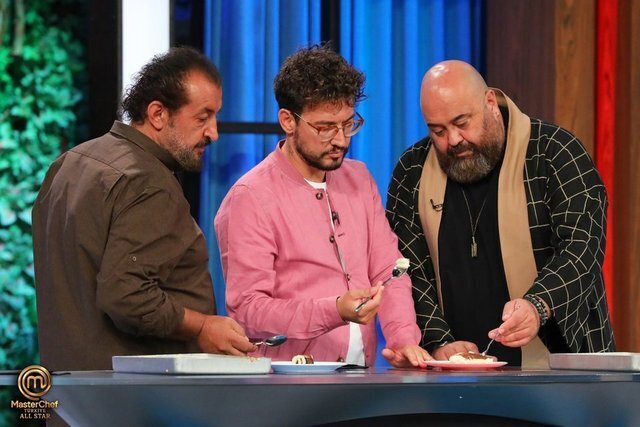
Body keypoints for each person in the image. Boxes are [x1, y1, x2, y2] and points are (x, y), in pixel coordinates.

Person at [32, 46, 257, 372]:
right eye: (202, 117)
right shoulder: (149, 183)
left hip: (66, 389)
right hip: (131, 391)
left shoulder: (70, 163)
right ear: (158, 114)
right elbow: (126, 296)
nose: (214, 132)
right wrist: (203, 327)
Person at [386, 60, 615, 368]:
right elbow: (405, 267)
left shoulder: (555, 152)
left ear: (490, 102)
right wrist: (439, 340)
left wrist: (538, 306)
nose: (453, 140)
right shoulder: (412, 170)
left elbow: (582, 248)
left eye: (462, 122)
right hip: (453, 372)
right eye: (438, 130)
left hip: (566, 366)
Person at [215, 46, 430, 368]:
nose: (341, 140)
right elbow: (249, 310)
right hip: (286, 383)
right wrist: (334, 310)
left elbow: (389, 270)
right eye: (326, 127)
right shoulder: (251, 197)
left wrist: (403, 339)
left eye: (348, 124)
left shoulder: (359, 178)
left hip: (360, 376)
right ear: (288, 121)